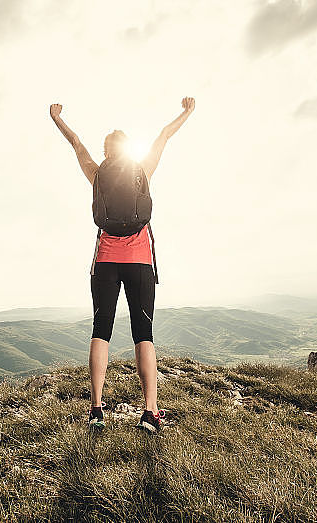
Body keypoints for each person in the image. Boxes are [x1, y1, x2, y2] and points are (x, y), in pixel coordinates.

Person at [50, 97, 195, 433]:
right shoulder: (142, 170)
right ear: (128, 150)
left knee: (101, 331)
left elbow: (75, 143)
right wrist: (186, 112)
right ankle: (150, 413)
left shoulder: (96, 173)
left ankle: (97, 409)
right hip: (140, 260)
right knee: (143, 334)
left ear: (106, 151)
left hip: (105, 261)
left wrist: (57, 118)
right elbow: (163, 136)